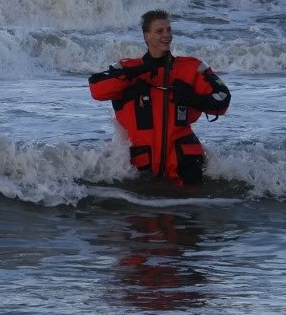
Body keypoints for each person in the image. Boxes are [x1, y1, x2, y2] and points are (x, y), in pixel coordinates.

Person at [88, 10, 230, 185]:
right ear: (146, 36)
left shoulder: (193, 67)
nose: (166, 35)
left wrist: (192, 98)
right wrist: (136, 72)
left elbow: (223, 100)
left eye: (169, 30)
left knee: (189, 207)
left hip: (183, 161)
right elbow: (97, 89)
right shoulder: (126, 67)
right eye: (159, 31)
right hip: (141, 163)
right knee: (140, 207)